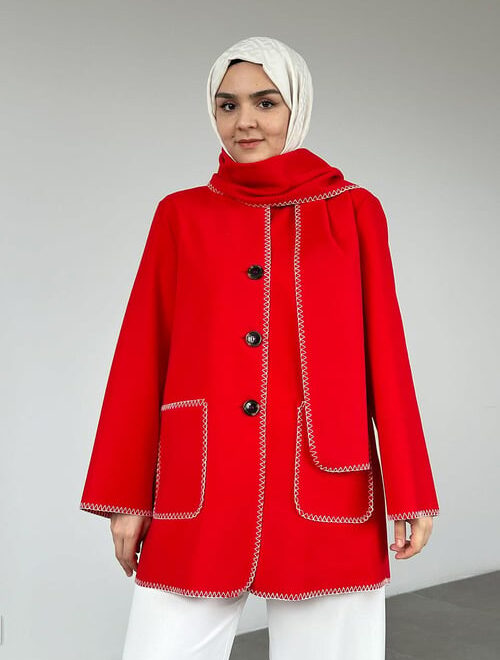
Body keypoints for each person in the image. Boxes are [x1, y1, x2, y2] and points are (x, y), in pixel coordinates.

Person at [79, 36, 440, 659]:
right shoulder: (180, 216)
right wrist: (127, 496)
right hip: (201, 482)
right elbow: (141, 355)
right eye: (228, 105)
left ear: (296, 107)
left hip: (326, 481)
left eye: (265, 103)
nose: (244, 121)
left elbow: (386, 349)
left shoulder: (355, 211)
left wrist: (411, 487)